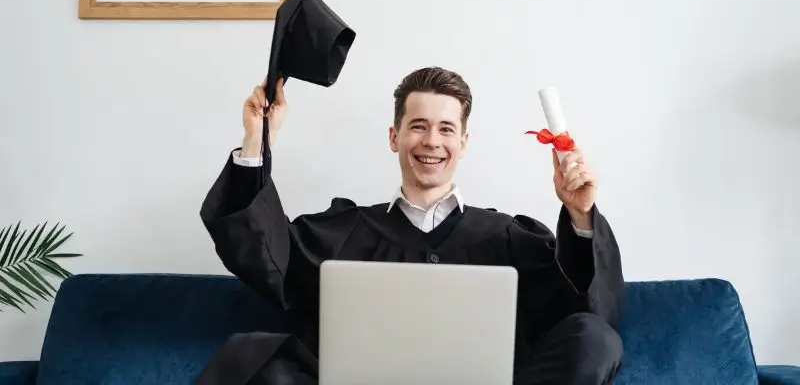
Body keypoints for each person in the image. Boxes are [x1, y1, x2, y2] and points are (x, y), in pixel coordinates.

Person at [194, 67, 625, 385]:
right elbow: (261, 255)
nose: (432, 141)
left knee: (593, 338)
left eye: (446, 129)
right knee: (262, 362)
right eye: (417, 126)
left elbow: (588, 311)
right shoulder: (341, 232)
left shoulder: (508, 239)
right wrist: (258, 140)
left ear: (463, 143)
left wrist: (580, 215)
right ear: (394, 137)